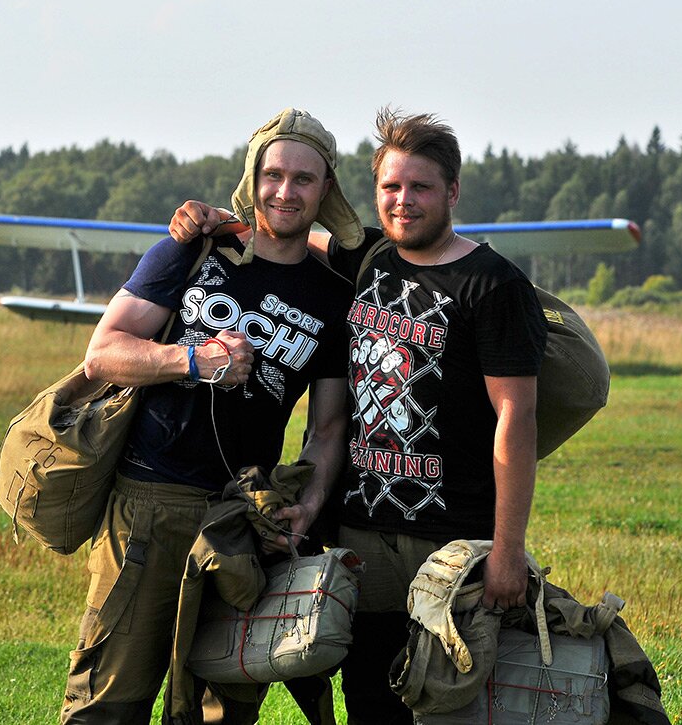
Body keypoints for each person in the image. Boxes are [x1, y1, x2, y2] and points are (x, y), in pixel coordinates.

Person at [168, 107, 549, 725]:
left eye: (421, 187)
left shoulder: (493, 285)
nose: (404, 201)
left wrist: (508, 550)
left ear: (453, 192)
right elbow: (283, 232)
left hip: (453, 537)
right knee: (370, 700)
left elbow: (517, 420)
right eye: (391, 187)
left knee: (450, 703)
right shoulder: (368, 258)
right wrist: (212, 219)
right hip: (361, 532)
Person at [61, 107, 365, 725]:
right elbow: (104, 353)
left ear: (326, 190)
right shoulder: (193, 252)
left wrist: (306, 507)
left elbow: (329, 428)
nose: (285, 191)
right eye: (273, 174)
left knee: (218, 710)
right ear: (253, 178)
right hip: (150, 504)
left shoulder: (334, 298)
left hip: (240, 519)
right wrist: (195, 361)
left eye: (303, 179)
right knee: (107, 703)